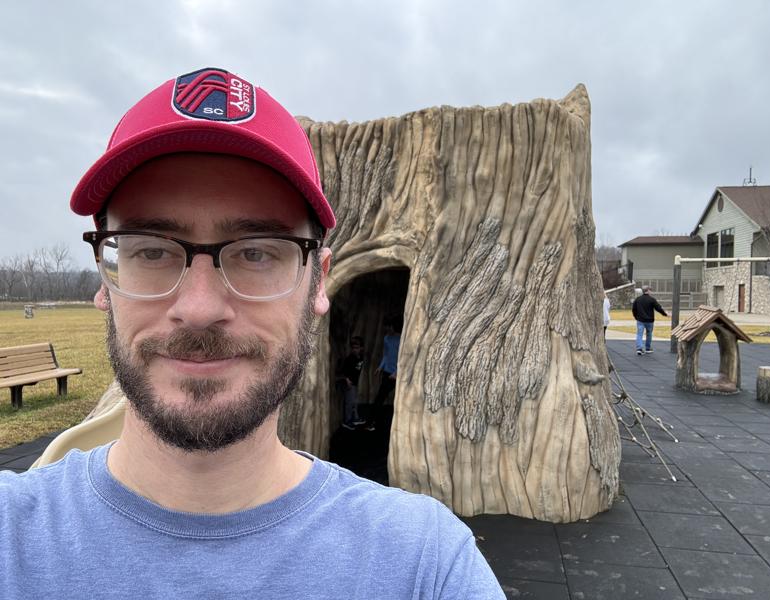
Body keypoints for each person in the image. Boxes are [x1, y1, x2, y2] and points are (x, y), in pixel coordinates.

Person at [0, 67, 503, 599]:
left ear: (317, 282)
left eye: (257, 252)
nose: (198, 308)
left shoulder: (425, 565)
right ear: (106, 279)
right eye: (151, 249)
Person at [368, 315, 402, 430]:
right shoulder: (386, 338)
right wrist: (380, 367)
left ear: (393, 327)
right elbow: (386, 355)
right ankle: (372, 423)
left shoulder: (401, 338)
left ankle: (398, 426)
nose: (387, 329)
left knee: (399, 399)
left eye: (389, 327)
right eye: (386, 327)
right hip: (387, 373)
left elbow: (403, 357)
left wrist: (397, 372)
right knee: (380, 398)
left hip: (399, 374)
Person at [632, 284, 669, 355]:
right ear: (648, 291)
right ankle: (648, 348)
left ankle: (639, 348)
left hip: (640, 320)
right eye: (650, 290)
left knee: (639, 334)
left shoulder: (638, 299)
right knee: (649, 334)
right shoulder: (652, 300)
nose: (651, 291)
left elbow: (634, 309)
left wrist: (636, 317)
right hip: (649, 320)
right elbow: (658, 308)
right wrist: (665, 314)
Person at [338, 336, 366, 429]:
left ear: (361, 348)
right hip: (349, 384)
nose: (355, 350)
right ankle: (347, 421)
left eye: (357, 348)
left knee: (354, 402)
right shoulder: (349, 359)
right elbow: (343, 371)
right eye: (353, 348)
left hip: (355, 383)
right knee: (349, 403)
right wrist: (347, 380)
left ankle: (355, 418)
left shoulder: (360, 357)